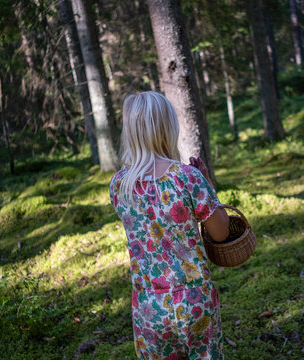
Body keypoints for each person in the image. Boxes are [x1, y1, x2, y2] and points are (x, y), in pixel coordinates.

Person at [109, 91, 230, 360]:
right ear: (168, 128)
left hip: (148, 306)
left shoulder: (119, 185)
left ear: (131, 132)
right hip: (194, 299)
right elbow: (221, 233)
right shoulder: (188, 178)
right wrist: (208, 185)